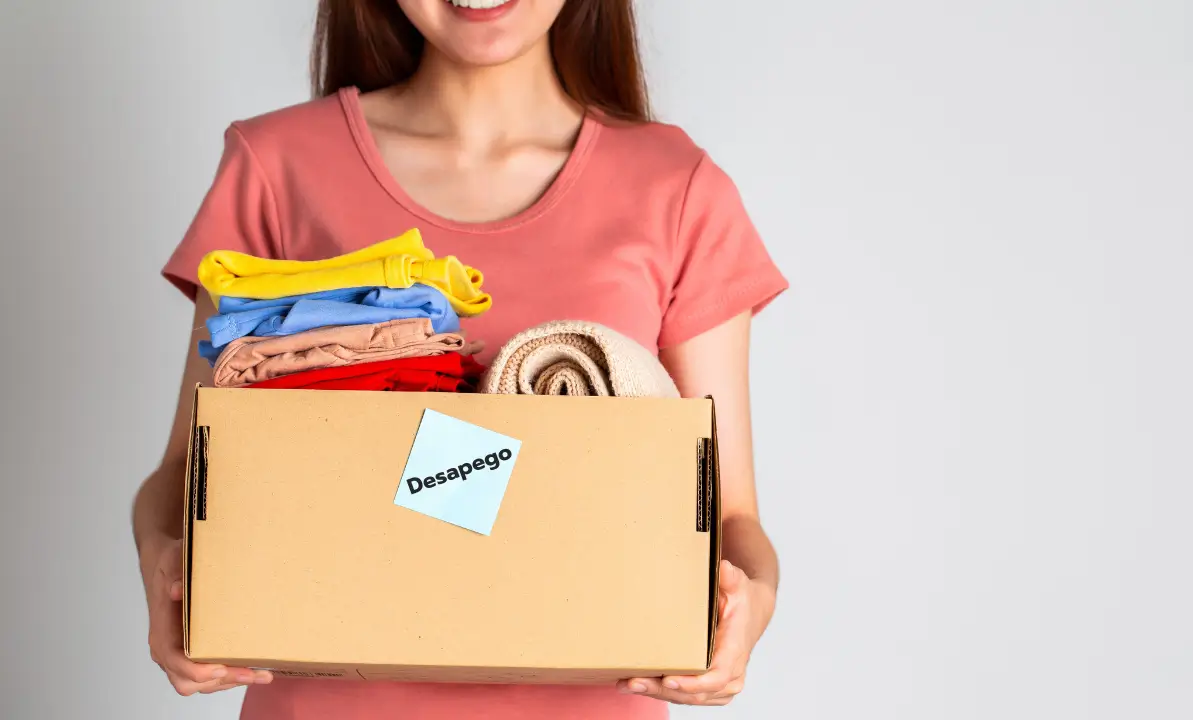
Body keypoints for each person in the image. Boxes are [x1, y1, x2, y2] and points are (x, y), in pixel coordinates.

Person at [132, 0, 788, 717]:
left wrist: (750, 600)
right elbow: (184, 471)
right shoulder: (276, 166)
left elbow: (729, 516)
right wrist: (166, 559)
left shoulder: (677, 187)